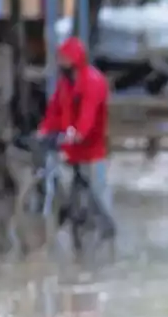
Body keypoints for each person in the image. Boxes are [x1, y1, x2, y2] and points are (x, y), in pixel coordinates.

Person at [37, 36, 116, 240]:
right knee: (62, 180)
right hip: (70, 146)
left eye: (65, 59)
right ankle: (68, 219)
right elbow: (54, 110)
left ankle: (108, 230)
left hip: (92, 147)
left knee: (98, 191)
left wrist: (77, 133)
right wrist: (44, 129)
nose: (61, 63)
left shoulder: (93, 82)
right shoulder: (64, 84)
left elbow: (87, 117)